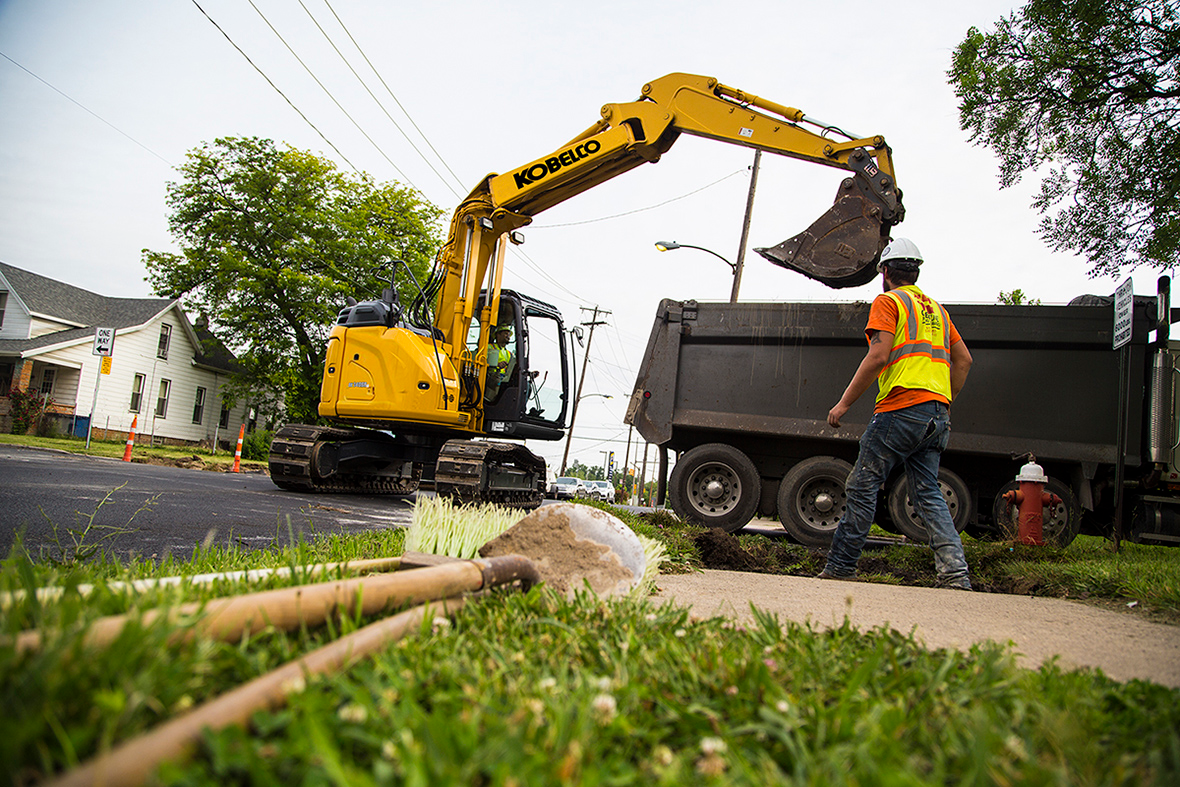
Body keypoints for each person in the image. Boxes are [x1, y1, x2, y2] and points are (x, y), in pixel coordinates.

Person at [819, 238, 974, 590]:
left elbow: (878, 356)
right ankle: (955, 574)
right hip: (937, 415)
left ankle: (842, 565)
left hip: (900, 409)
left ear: (885, 272)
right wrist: (943, 398)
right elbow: (964, 360)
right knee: (928, 493)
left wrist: (843, 404)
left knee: (862, 485)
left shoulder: (888, 301)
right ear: (915, 271)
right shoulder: (936, 310)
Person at [485, 325, 515, 401]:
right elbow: (483, 362)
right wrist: (497, 365)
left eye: (509, 334)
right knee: (497, 382)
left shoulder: (509, 354)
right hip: (491, 377)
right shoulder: (489, 347)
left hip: (504, 378)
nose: (508, 336)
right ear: (498, 335)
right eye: (505, 333)